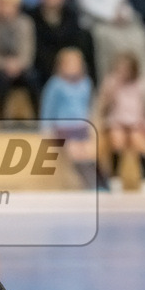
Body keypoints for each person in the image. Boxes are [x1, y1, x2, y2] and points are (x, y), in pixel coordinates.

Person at [39, 47, 100, 189]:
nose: (73, 67)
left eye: (76, 64)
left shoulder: (86, 83)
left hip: (82, 127)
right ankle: (83, 184)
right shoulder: (56, 84)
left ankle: (95, 182)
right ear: (61, 66)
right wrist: (46, 128)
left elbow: (89, 105)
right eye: (69, 64)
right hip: (64, 127)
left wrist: (93, 124)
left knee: (90, 152)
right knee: (75, 152)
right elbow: (48, 107)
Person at [96, 52, 145, 193]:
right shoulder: (111, 82)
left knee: (138, 140)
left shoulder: (141, 83)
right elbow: (104, 106)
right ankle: (115, 178)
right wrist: (112, 90)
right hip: (116, 120)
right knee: (117, 140)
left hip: (135, 122)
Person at [27, 0, 93, 83]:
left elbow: (76, 44)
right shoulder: (31, 17)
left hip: (70, 65)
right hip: (44, 69)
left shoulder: (72, 15)